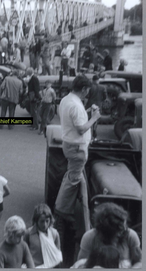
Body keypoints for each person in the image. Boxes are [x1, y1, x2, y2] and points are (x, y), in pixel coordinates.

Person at [54, 76, 101, 255]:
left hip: (69, 145)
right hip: (78, 148)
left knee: (73, 174)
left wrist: (87, 110)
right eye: (88, 90)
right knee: (73, 178)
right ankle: (61, 210)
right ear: (84, 89)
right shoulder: (76, 105)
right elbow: (81, 128)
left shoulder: (66, 100)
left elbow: (73, 120)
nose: (89, 92)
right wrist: (95, 117)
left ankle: (67, 207)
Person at [77, 203, 142, 268]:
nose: (124, 230)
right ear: (106, 229)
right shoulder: (89, 237)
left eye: (124, 226)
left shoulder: (130, 235)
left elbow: (140, 262)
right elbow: (81, 264)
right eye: (119, 229)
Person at [24, 203, 62, 268]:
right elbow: (23, 253)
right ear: (36, 220)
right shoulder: (29, 233)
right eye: (42, 221)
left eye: (47, 221)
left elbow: (57, 255)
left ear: (50, 220)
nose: (45, 224)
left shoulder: (54, 233)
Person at [85, 75, 107, 139]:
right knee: (95, 119)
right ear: (98, 80)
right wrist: (101, 101)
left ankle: (88, 132)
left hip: (90, 105)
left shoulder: (90, 87)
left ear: (92, 80)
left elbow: (87, 97)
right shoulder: (103, 87)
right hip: (98, 105)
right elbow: (105, 97)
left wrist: (84, 105)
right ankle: (94, 131)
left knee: (88, 119)